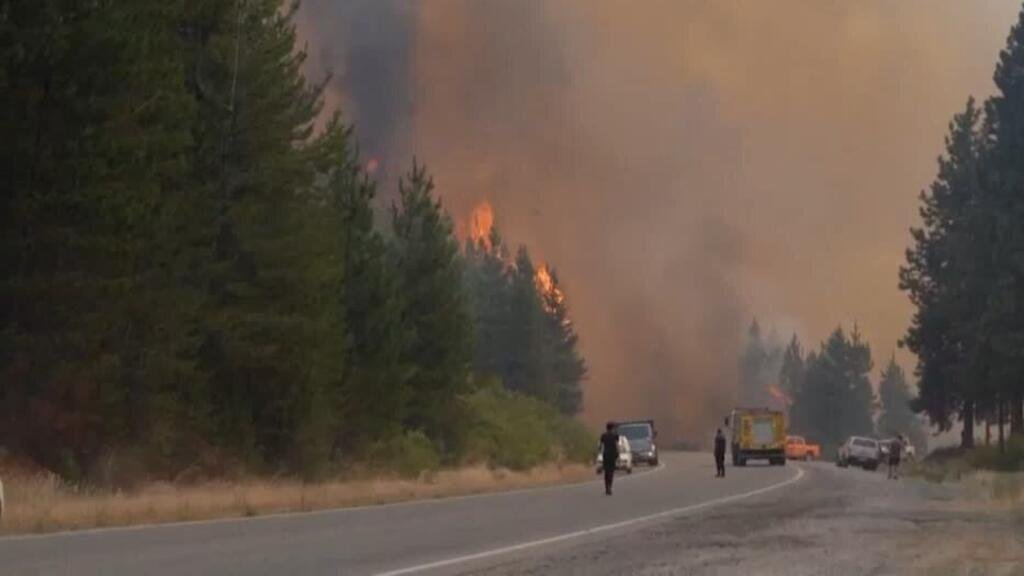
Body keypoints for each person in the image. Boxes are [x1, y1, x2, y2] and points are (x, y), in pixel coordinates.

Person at [599, 422, 620, 495]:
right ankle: (609, 487)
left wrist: (599, 452)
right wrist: (618, 453)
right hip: (612, 455)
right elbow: (617, 445)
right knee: (611, 471)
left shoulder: (603, 435)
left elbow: (600, 446)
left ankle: (606, 487)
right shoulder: (615, 435)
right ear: (612, 428)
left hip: (606, 454)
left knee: (606, 471)